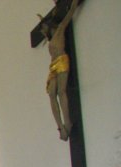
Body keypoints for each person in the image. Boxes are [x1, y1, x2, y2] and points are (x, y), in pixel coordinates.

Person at [40, 0, 79, 141]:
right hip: (53, 66)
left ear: (48, 26)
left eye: (43, 28)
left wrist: (74, 4)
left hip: (62, 61)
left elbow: (68, 15)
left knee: (61, 91)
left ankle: (67, 121)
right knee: (51, 94)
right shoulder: (50, 40)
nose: (42, 31)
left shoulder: (60, 30)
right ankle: (60, 126)